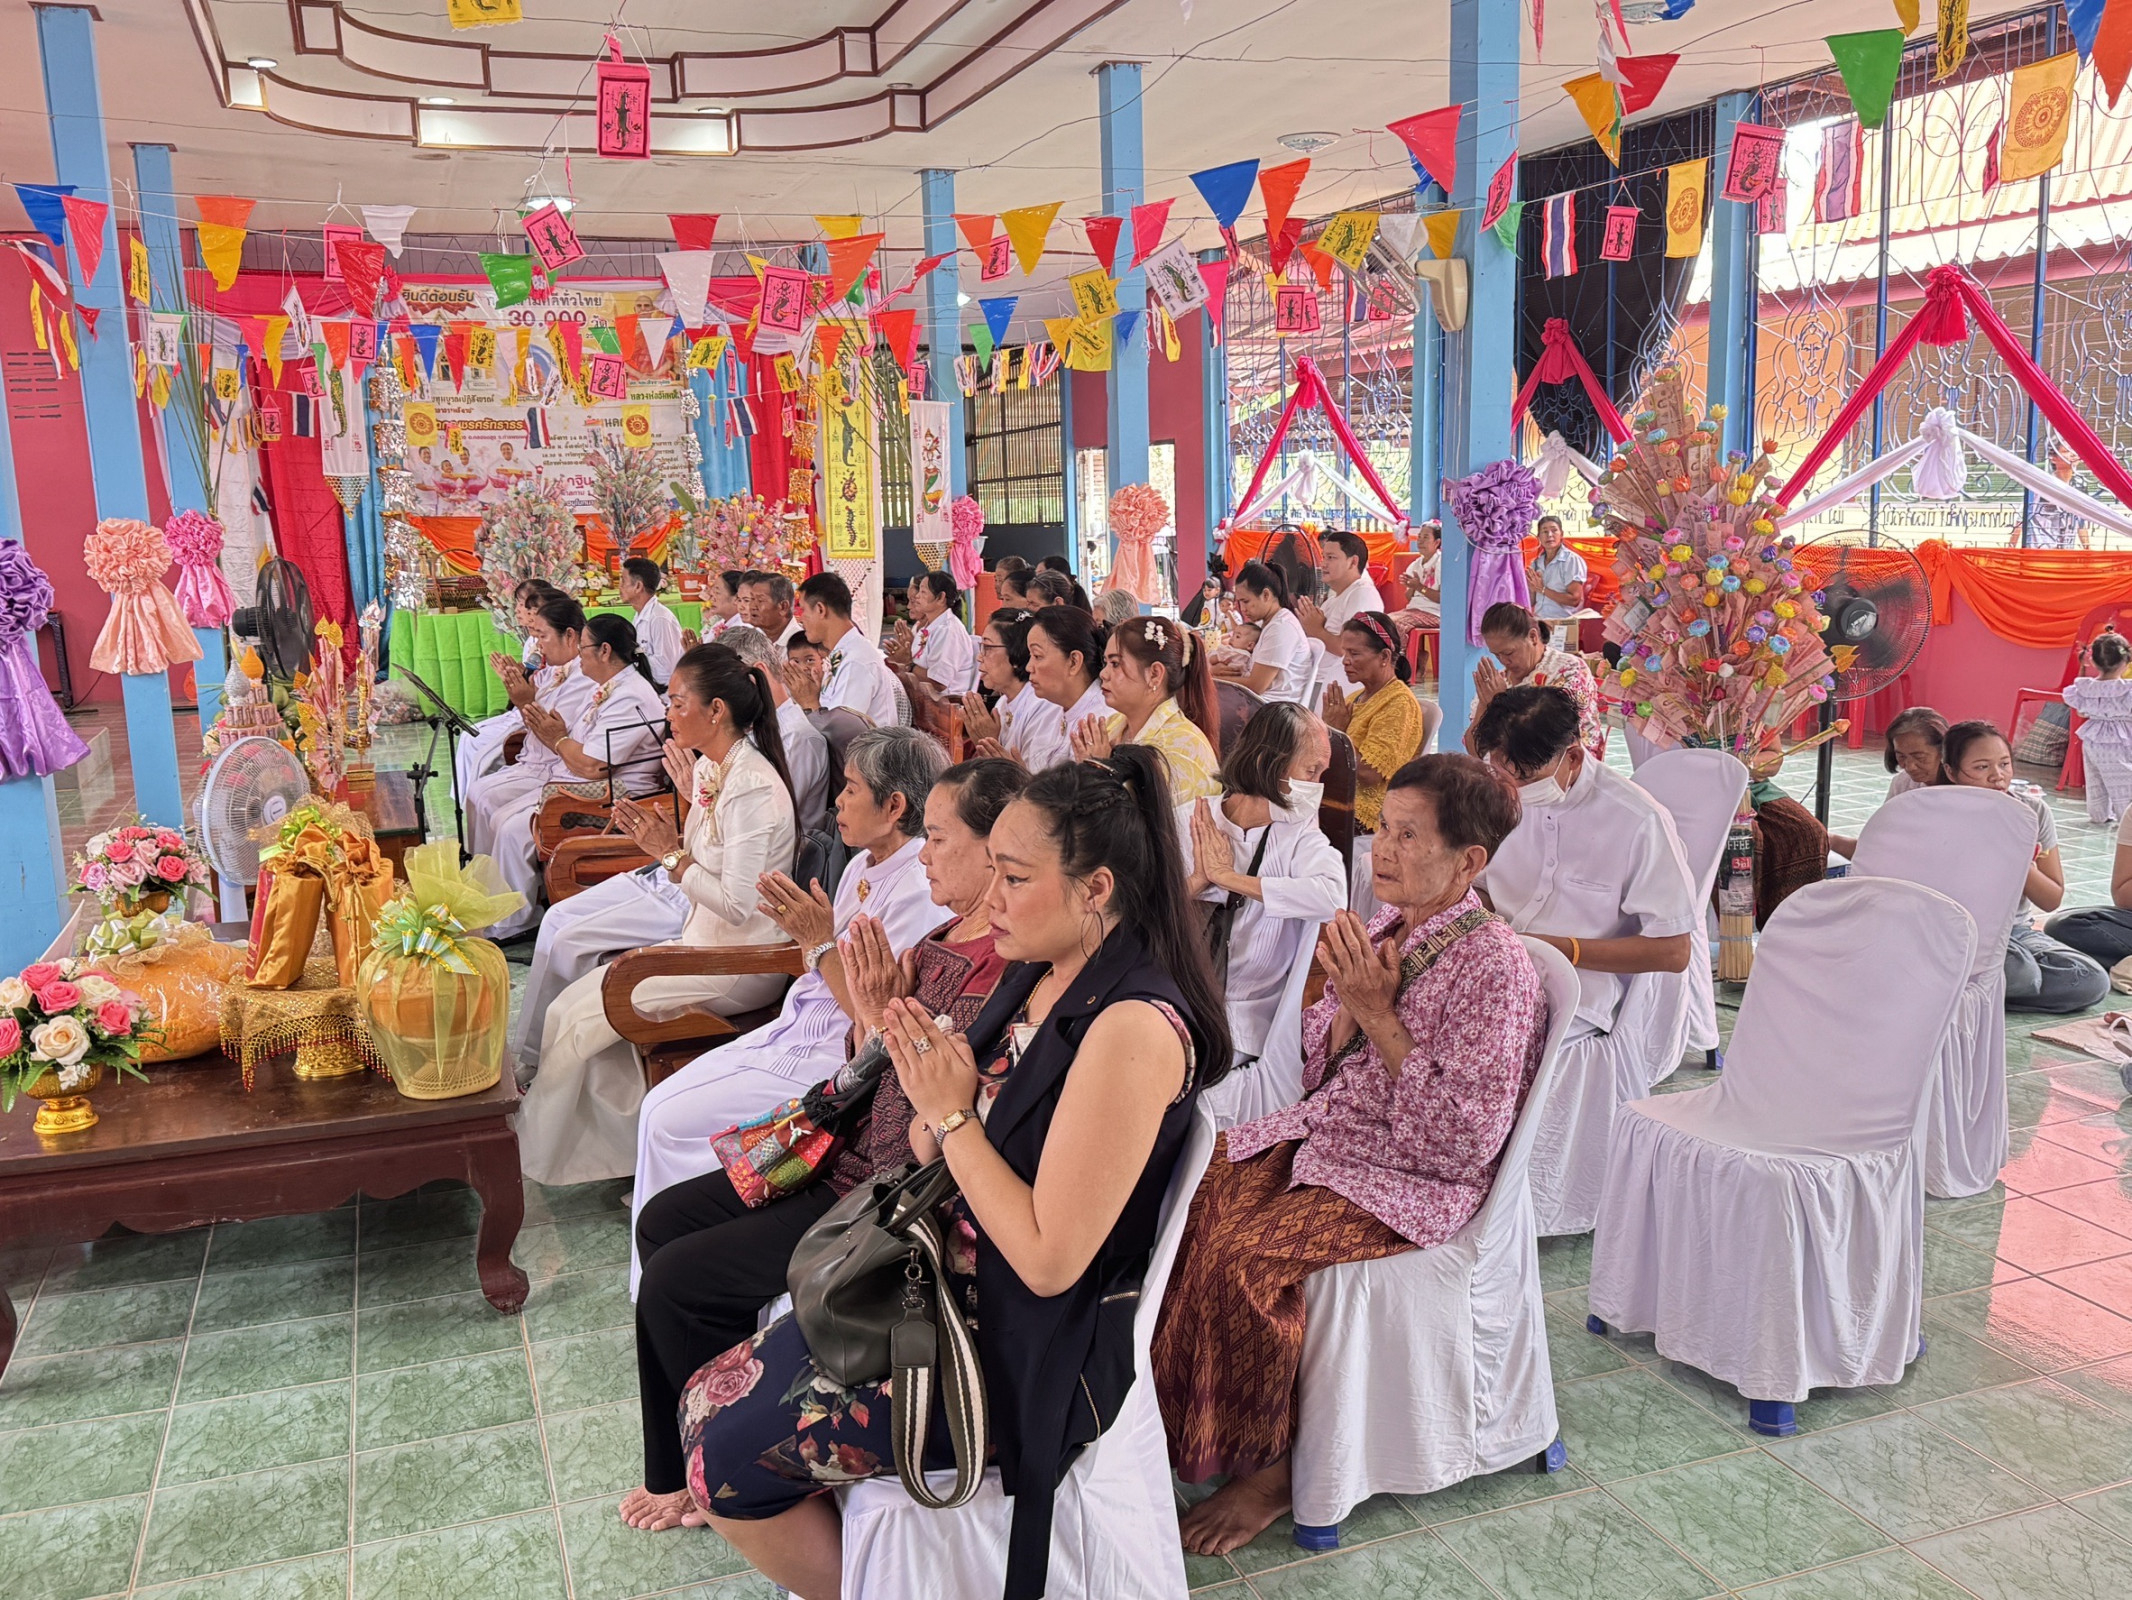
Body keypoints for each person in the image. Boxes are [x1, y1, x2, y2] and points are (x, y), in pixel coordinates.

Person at [671, 748, 1229, 1600]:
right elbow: (932, 1146)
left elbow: (1047, 1259)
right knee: (703, 1398)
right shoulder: (1044, 975)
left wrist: (955, 1115)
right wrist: (924, 1084)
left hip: (1017, 1346)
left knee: (719, 1464)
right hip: (941, 1284)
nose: (990, 898)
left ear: (1096, 889)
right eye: (993, 871)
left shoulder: (1132, 1029)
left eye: (1014, 878)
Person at [1155, 753, 1548, 1555]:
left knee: (1241, 1257)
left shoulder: (1495, 966)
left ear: (1469, 861)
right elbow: (1318, 1058)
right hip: (1332, 1137)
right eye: (1383, 829)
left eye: (1409, 836)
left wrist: (1374, 1014)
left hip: (1408, 1179)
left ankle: (1271, 1468)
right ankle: (1175, 1422)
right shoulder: (1387, 925)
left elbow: (1463, 1141)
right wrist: (1345, 1014)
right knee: (1183, 1193)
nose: (1383, 851)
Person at [622, 758, 1024, 1532]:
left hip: (878, 1192)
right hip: (841, 1149)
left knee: (675, 1281)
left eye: (940, 838)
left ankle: (690, 1476)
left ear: (993, 849)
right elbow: (875, 1056)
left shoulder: (1003, 969)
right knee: (663, 1219)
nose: (926, 854)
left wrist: (855, 990)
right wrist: (871, 1009)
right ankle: (703, 1414)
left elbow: (935, 1106)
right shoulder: (941, 935)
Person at [628, 727, 953, 1268]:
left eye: (851, 789)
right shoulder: (863, 863)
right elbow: (822, 961)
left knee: (666, 1119)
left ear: (894, 807)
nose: (838, 801)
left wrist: (818, 942)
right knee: (658, 1107)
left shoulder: (921, 891)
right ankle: (670, 1260)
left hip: (837, 1057)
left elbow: (873, 1020)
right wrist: (812, 940)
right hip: (798, 1023)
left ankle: (687, 1261)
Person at [516, 646, 801, 1184]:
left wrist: (669, 854)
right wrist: (671, 840)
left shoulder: (752, 787)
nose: (667, 713)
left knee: (592, 1015)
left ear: (715, 710)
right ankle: (607, 1148)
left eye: (676, 702)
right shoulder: (715, 768)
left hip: (740, 961)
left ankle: (563, 1151)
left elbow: (738, 904)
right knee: (571, 1003)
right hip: (703, 942)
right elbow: (706, 859)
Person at [1181, 703, 1346, 1127]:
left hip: (1241, 1020)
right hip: (1176, 998)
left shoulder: (1298, 833)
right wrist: (1198, 881)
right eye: (1311, 771)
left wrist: (1230, 879)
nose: (1316, 786)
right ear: (1267, 764)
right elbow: (1138, 914)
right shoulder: (1190, 820)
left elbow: (1332, 896)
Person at [471, 610, 668, 939]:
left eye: (583, 648)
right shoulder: (613, 686)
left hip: (614, 797)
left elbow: (592, 766)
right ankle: (509, 907)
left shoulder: (630, 694)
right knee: (502, 816)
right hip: (582, 784)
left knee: (512, 829)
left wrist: (557, 739)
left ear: (604, 651)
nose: (578, 655)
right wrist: (557, 734)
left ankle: (515, 923)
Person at [1933, 720, 2108, 1013]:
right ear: (1951, 772)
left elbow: (2051, 899)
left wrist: (2018, 858)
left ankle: (1964, 993)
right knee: (2021, 971)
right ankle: (1978, 988)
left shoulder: (2033, 812)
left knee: (2089, 979)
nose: (1997, 776)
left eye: (2004, 764)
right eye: (1981, 767)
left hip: (2014, 933)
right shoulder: (1933, 813)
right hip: (1954, 933)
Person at [1069, 615, 1223, 802]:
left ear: (1155, 674)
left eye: (1115, 664)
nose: (1103, 673)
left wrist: (1100, 773)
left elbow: (1149, 819)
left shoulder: (1182, 749)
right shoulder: (1113, 725)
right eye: (1106, 663)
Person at [1320, 611, 1430, 833]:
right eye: (1345, 652)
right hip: (1335, 798)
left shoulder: (1399, 703)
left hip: (1364, 815)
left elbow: (1370, 774)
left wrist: (1337, 731)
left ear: (1384, 657)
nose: (1345, 661)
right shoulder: (1355, 698)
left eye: (1354, 653)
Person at [456, 579, 568, 795]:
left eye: (526, 606)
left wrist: (522, 689)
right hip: (530, 717)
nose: (518, 610)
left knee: (476, 747)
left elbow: (548, 697)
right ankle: (464, 799)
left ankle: (470, 796)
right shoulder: (535, 644)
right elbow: (537, 682)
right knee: (471, 741)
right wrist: (517, 677)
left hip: (540, 729)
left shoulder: (564, 656)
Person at [721, 624, 830, 838]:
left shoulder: (797, 737)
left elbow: (766, 820)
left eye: (726, 688)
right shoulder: (757, 724)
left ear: (757, 675)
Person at [1469, 601, 1603, 759]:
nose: (1504, 661)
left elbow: (1549, 745)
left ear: (1533, 637)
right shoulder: (1499, 681)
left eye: (1509, 653)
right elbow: (1475, 751)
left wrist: (1500, 704)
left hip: (1562, 767)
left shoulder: (1569, 671)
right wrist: (1485, 704)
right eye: (1497, 655)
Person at [786, 571, 896, 726]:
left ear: (820, 609)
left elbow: (842, 732)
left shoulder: (856, 661)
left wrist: (809, 702)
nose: (801, 618)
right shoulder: (842, 652)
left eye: (803, 610)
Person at [962, 607, 1063, 770]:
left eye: (987, 647)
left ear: (1016, 654)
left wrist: (991, 742)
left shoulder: (1042, 706)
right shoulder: (1003, 702)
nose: (979, 657)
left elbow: (1034, 779)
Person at [1016, 606, 1109, 771]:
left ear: (1074, 662)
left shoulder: (1102, 722)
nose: (1029, 667)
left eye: (1037, 656)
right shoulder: (1048, 712)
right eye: (1030, 656)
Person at [1215, 559, 1313, 704]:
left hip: (1271, 708)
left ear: (1266, 595)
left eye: (1246, 601)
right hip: (1258, 701)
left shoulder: (1281, 627)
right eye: (1239, 602)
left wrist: (1212, 678)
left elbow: (1256, 686)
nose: (1242, 608)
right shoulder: (1265, 624)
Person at [1296, 530, 1379, 697]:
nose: (1323, 564)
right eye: (1323, 557)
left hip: (1335, 688)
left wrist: (1316, 630)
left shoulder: (1362, 593)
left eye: (1331, 558)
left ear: (1353, 562)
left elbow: (1349, 649)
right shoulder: (1334, 599)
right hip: (1314, 681)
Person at [2063, 632, 2132, 826]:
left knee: (2095, 781)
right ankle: (2127, 819)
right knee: (2124, 782)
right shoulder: (2127, 689)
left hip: (2092, 739)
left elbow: (2082, 712)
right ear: (2126, 661)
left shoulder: (2085, 688)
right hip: (2120, 741)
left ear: (2092, 661)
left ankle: (2099, 814)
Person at [891, 570, 979, 696]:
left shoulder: (949, 631)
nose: (917, 596)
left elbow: (938, 683)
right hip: (922, 696)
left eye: (923, 592)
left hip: (944, 702)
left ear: (941, 598)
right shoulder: (928, 626)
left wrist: (907, 663)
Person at [617, 558, 687, 686]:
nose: (619, 586)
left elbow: (666, 669)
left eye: (623, 581)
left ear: (638, 586)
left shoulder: (660, 618)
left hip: (662, 692)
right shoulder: (640, 614)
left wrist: (627, 665)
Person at [2014, 441, 2093, 550]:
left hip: (2065, 552)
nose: (2073, 454)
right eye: (2066, 451)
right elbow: (2021, 517)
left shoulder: (2080, 485)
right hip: (2040, 550)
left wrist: (2087, 549)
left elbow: (2080, 521)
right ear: (2053, 458)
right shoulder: (2043, 484)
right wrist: (2011, 547)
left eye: (2074, 450)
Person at [1525, 515, 1588, 623]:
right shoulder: (1536, 563)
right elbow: (1532, 602)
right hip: (1540, 622)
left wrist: (1542, 589)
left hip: (1564, 622)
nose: (1549, 535)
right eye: (1545, 531)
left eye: (1554, 530)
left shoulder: (1571, 560)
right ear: (1539, 537)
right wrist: (1531, 588)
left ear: (1561, 534)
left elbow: (1574, 600)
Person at [1883, 706, 1949, 801]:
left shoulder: (1963, 786)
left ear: (1943, 751)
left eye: (1919, 757)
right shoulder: (1902, 783)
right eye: (1901, 756)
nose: (1910, 767)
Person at [1392, 521, 1442, 632]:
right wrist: (1411, 586)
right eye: (1419, 537)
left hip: (1434, 612)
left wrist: (1419, 587)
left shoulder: (1441, 563)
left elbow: (1443, 598)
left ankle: (1400, 645)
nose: (1420, 541)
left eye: (1426, 537)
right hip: (1413, 610)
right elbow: (1409, 598)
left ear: (1437, 542)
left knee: (1396, 624)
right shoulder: (1414, 565)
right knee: (1383, 621)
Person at [740, 570, 802, 648]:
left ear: (783, 607)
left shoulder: (801, 644)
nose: (752, 606)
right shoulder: (749, 637)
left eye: (760, 600)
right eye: (752, 599)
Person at [705, 570, 747, 642]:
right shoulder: (721, 623)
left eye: (717, 592)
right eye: (712, 592)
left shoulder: (743, 630)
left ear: (737, 599)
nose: (712, 597)